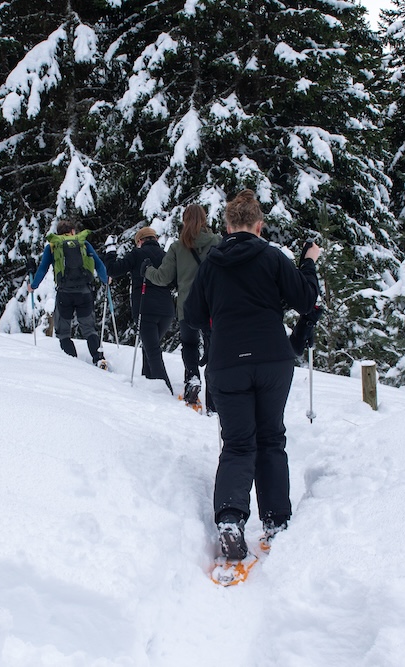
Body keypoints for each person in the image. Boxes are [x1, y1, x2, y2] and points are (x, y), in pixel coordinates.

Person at [184, 190, 320, 560]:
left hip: (228, 362)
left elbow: (193, 315)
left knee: (239, 442)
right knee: (271, 437)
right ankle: (275, 520)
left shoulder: (212, 263)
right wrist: (308, 263)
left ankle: (230, 519)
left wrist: (221, 312)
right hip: (272, 359)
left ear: (227, 227)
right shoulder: (272, 257)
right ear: (259, 226)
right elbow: (306, 301)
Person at [145, 204, 221, 411]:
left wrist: (148, 271)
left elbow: (162, 277)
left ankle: (193, 379)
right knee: (213, 350)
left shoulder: (178, 247)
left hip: (188, 306)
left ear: (184, 220)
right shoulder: (217, 243)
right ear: (204, 220)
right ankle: (214, 405)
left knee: (189, 344)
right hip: (213, 306)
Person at [29, 219, 109, 368]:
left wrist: (33, 285)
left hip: (64, 294)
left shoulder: (53, 246)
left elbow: (42, 269)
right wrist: (106, 280)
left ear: (59, 233)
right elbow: (98, 264)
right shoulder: (83, 244)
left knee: (64, 332)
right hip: (84, 292)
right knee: (89, 329)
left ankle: (73, 362)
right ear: (73, 231)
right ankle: (99, 359)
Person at [105, 227, 174, 392]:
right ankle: (148, 381)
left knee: (153, 350)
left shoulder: (137, 254)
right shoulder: (166, 256)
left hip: (145, 309)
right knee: (150, 346)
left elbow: (113, 270)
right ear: (155, 239)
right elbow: (174, 281)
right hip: (166, 311)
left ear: (140, 241)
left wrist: (110, 251)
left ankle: (165, 390)